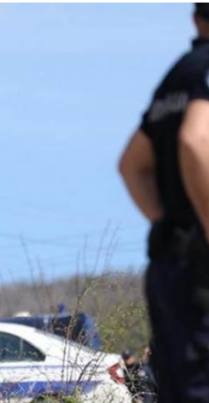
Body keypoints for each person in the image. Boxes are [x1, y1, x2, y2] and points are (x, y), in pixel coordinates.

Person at [118, 5, 209, 403]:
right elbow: (194, 140)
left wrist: (171, 224)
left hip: (172, 264)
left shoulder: (179, 75)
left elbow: (131, 165)